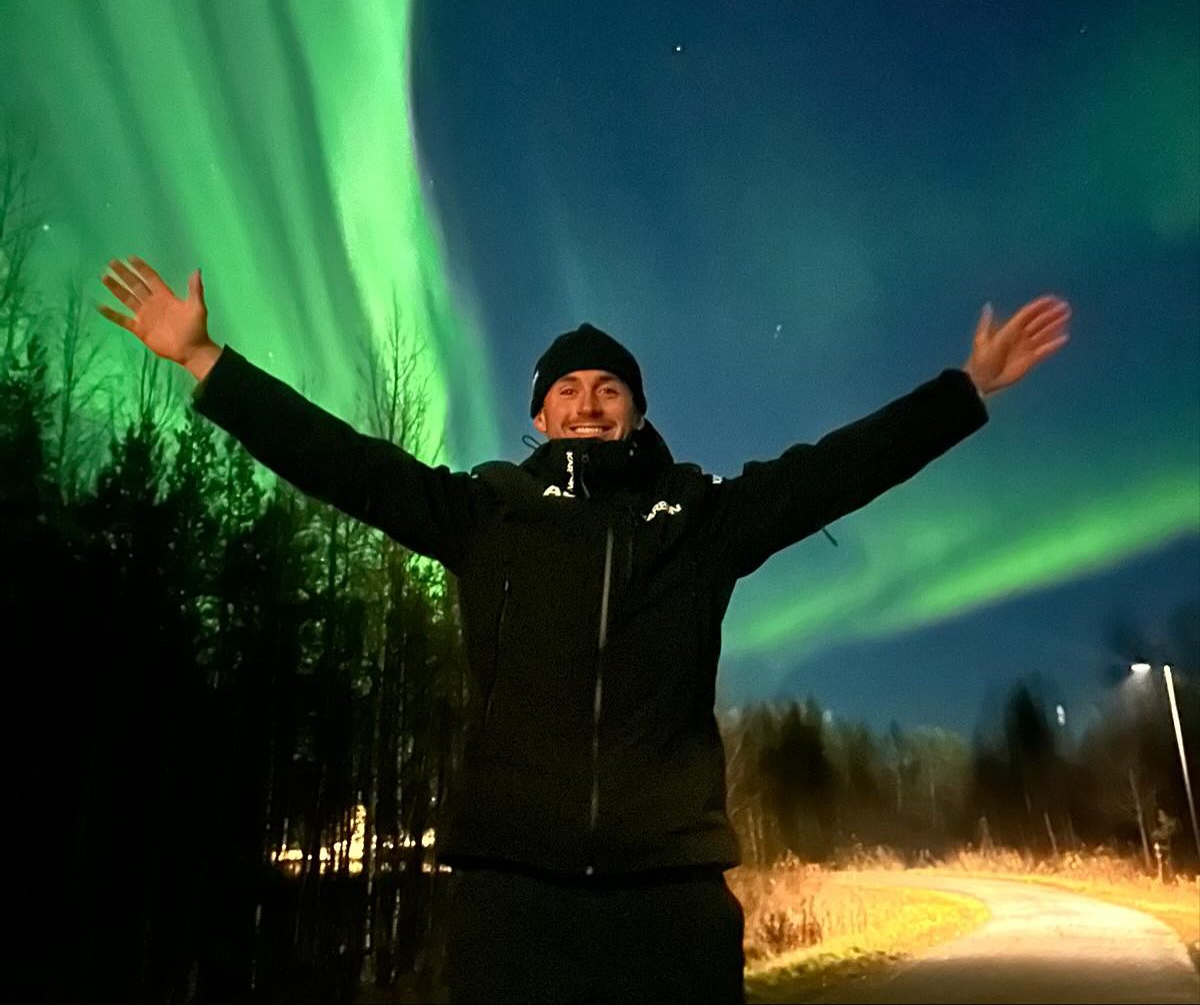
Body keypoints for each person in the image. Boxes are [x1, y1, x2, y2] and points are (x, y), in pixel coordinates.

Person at [97, 255, 1071, 1003]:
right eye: (568, 389)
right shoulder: (488, 514)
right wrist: (206, 361)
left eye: (610, 388)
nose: (589, 402)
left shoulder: (699, 519)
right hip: (513, 895)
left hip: (670, 897)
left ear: (637, 412)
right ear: (541, 413)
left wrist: (965, 388)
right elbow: (345, 463)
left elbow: (836, 469)